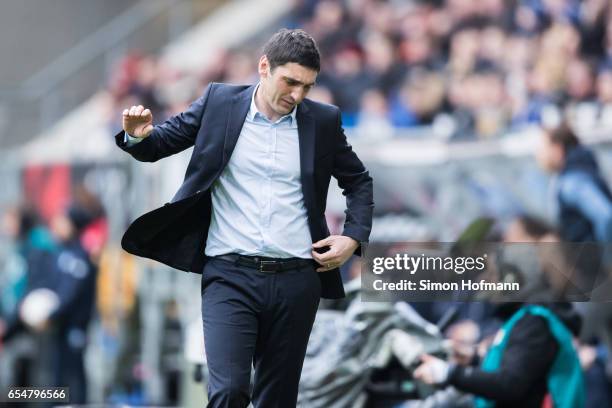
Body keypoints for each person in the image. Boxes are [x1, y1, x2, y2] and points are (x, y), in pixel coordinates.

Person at [115, 28, 374, 407]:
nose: (297, 95)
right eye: (290, 82)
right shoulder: (219, 102)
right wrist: (137, 137)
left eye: (307, 86)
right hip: (229, 276)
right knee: (230, 390)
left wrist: (351, 238)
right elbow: (161, 143)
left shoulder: (323, 121)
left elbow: (359, 181)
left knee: (277, 400)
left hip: (298, 279)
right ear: (264, 67)